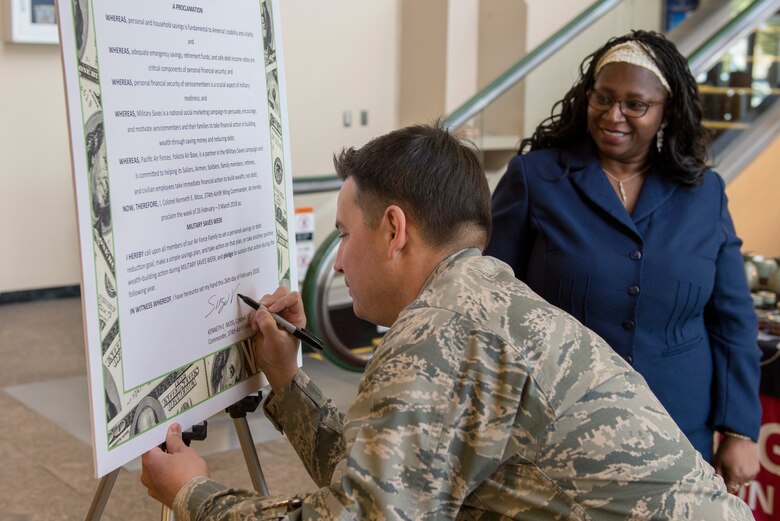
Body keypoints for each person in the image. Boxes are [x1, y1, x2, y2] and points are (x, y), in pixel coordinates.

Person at [141, 124, 754, 519]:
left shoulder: (443, 334)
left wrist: (192, 492)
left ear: (394, 229)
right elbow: (390, 475)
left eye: (344, 235)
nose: (340, 260)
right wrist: (285, 382)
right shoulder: (479, 296)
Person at [484, 30, 761, 492]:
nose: (614, 115)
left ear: (666, 112)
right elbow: (490, 299)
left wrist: (738, 429)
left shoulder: (703, 193)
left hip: (676, 428)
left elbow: (732, 318)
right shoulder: (537, 178)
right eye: (603, 98)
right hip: (557, 425)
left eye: (636, 105)